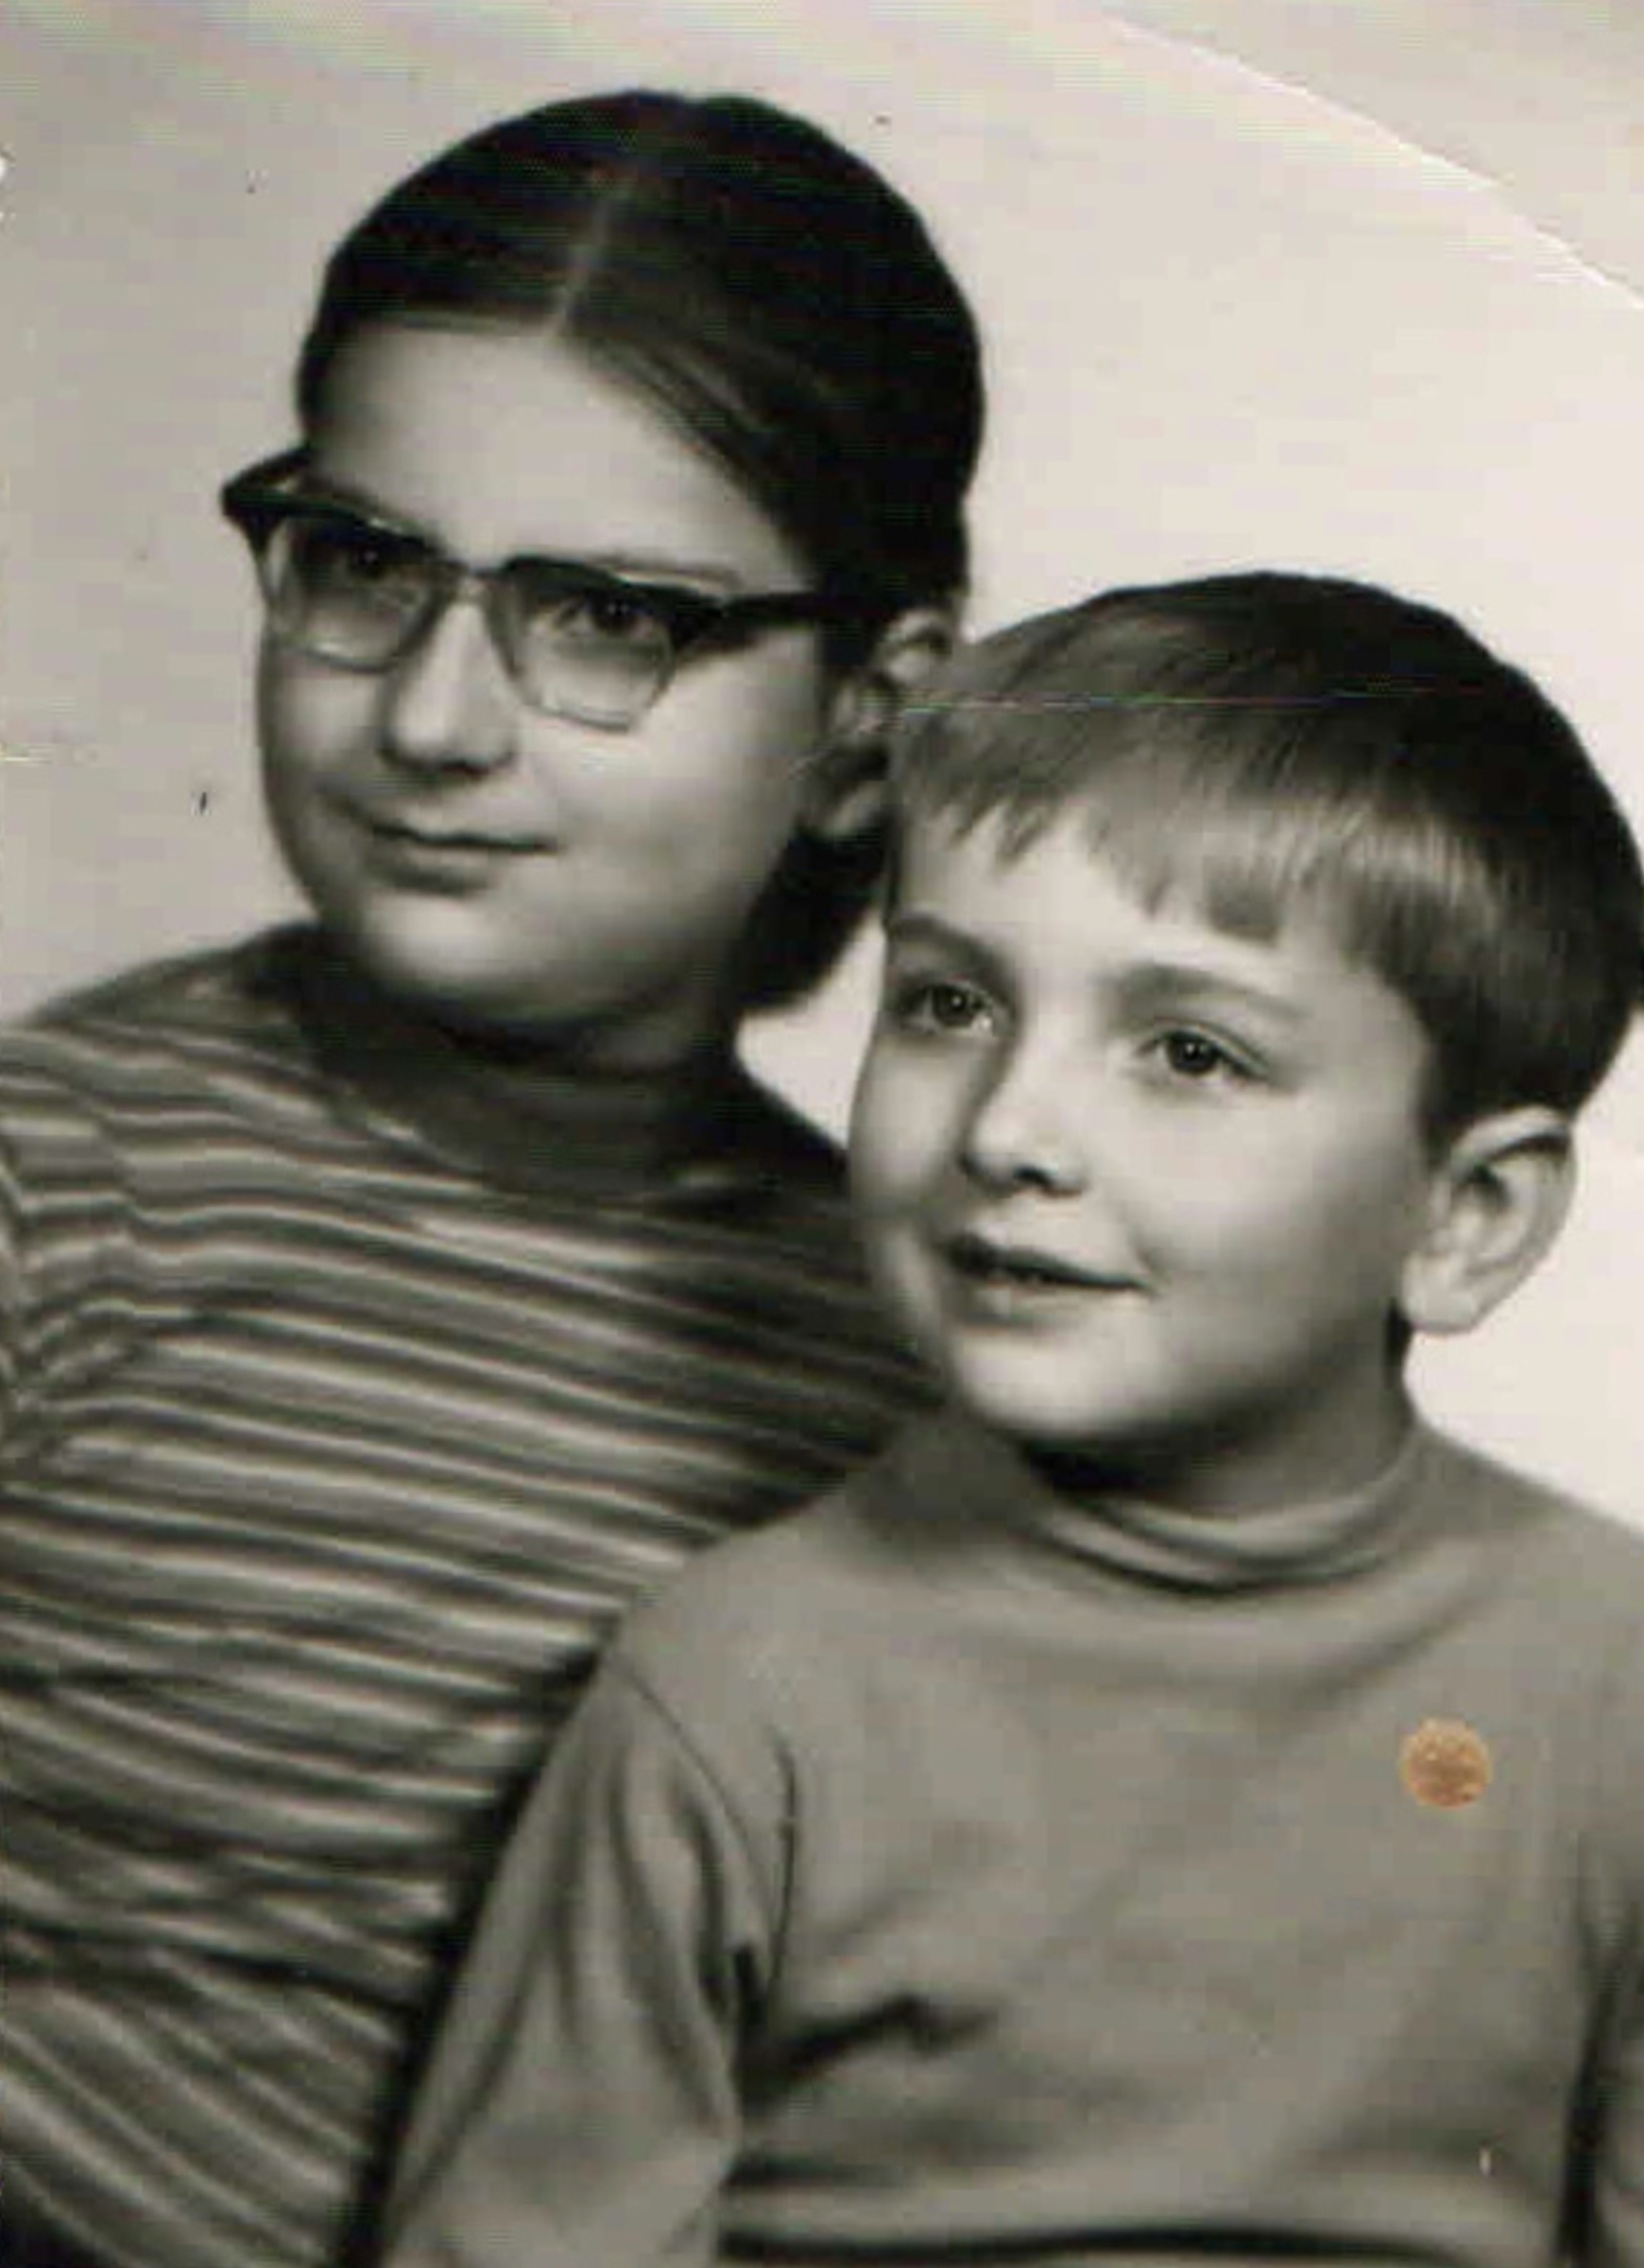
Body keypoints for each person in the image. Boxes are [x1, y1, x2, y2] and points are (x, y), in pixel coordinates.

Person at [380, 574, 1644, 2268]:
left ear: (1468, 1218)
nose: (1009, 1128)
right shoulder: (742, 1687)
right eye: (948, 1004)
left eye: (1192, 1053)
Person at [0, 91, 984, 2268]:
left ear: (866, 715)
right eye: (366, 564)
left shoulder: (938, 1377)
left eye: (608, 615)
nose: (436, 720)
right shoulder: (60, 1182)